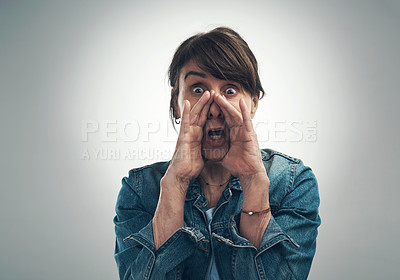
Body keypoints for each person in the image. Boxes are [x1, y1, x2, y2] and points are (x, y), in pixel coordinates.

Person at [113, 27, 321, 280]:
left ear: (254, 103)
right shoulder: (139, 189)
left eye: (230, 91)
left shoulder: (292, 183)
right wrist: (175, 184)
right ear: (175, 103)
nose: (214, 108)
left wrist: (254, 183)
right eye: (198, 89)